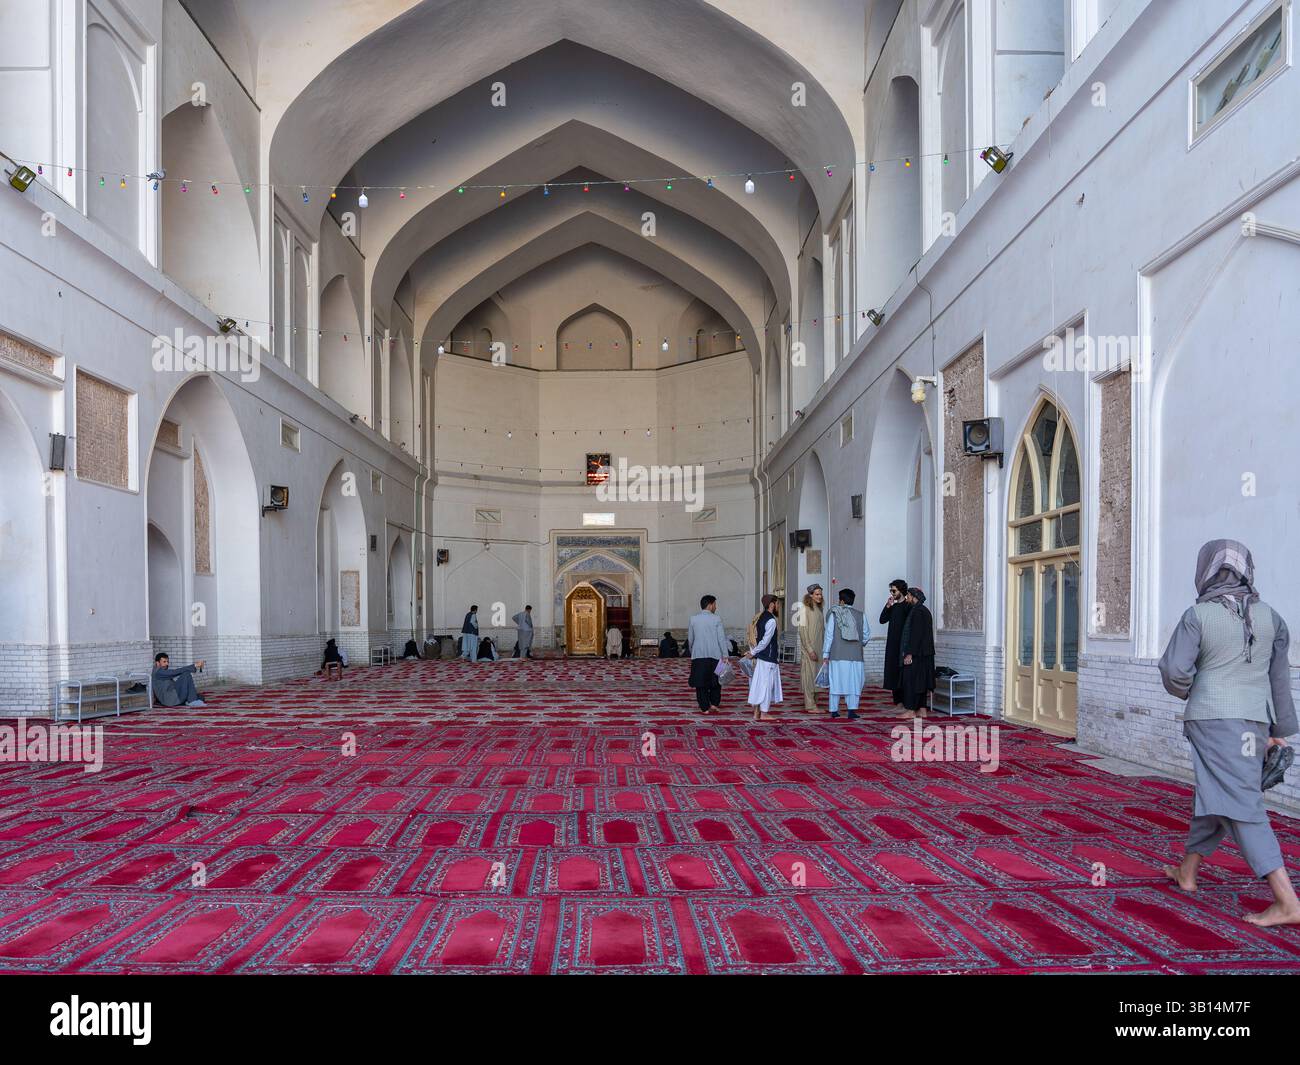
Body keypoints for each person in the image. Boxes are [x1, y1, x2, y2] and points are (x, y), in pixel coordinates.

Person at [1158, 539, 1300, 927]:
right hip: (1254, 723)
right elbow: (1279, 679)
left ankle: (1287, 899)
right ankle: (1188, 871)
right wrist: (1278, 731)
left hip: (1214, 721)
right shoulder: (1272, 617)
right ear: (1246, 571)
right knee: (1219, 791)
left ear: (1205, 570)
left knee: (1241, 802)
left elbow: (1174, 671)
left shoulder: (1198, 615)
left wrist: (1192, 690)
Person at [820, 588, 869, 719]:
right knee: (854, 682)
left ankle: (834, 710)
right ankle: (852, 710)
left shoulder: (834, 614)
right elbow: (866, 635)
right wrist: (859, 645)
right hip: (856, 656)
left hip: (837, 655)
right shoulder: (861, 615)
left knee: (836, 682)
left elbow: (829, 636)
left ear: (841, 600)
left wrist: (825, 654)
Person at [743, 594, 783, 721]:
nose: (778, 606)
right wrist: (753, 652)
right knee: (766, 685)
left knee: (759, 684)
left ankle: (757, 713)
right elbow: (765, 641)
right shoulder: (771, 620)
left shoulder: (761, 617)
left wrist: (754, 652)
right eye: (777, 604)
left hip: (762, 657)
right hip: (768, 658)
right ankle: (764, 713)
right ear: (772, 604)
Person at [687, 594, 729, 713]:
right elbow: (721, 638)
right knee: (716, 680)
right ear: (710, 605)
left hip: (698, 656)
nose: (716, 607)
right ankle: (715, 703)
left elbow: (690, 638)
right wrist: (725, 655)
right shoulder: (717, 619)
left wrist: (692, 651)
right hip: (716, 656)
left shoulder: (693, 619)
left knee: (700, 682)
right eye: (715, 604)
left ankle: (704, 707)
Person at [898, 587, 935, 717]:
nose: (907, 598)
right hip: (924, 654)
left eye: (908, 595)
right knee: (920, 682)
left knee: (911, 682)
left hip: (917, 654)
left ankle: (910, 710)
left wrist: (909, 653)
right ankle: (922, 709)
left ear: (915, 597)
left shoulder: (918, 612)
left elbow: (916, 635)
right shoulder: (923, 610)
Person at [879, 578, 912, 705]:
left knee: (902, 673)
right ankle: (897, 702)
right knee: (893, 671)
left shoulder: (908, 606)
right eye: (891, 591)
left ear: (901, 590)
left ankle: (904, 702)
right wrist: (888, 606)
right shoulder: (893, 606)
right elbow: (882, 620)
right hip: (892, 644)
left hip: (902, 645)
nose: (892, 593)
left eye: (894, 591)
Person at [798, 583, 825, 712]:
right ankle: (810, 705)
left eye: (820, 594)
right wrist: (809, 650)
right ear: (810, 595)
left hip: (819, 649)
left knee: (817, 677)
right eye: (817, 594)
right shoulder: (804, 609)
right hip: (810, 651)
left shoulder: (819, 609)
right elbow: (803, 632)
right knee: (809, 677)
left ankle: (815, 703)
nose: (820, 596)